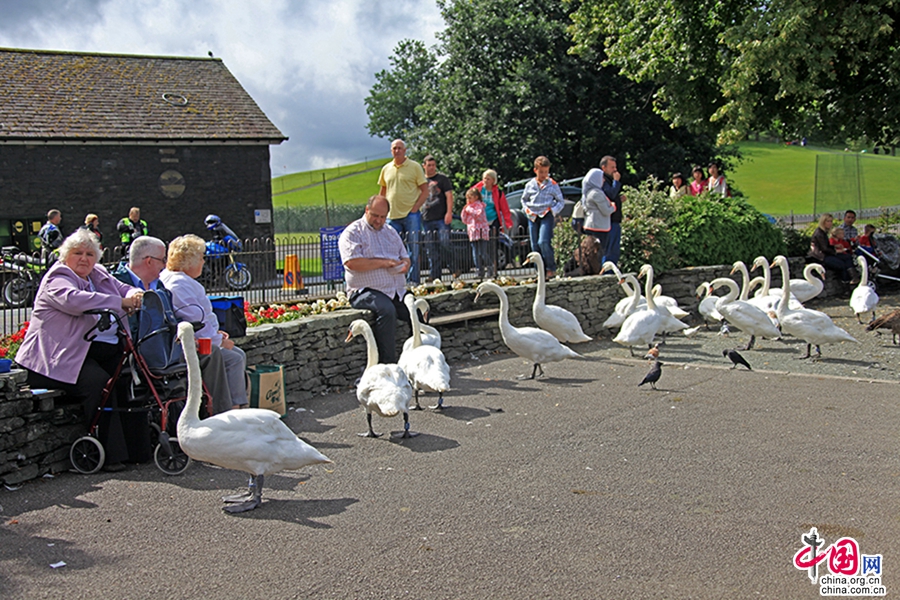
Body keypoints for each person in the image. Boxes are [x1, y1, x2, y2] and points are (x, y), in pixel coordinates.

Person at [16, 229, 144, 471]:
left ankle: (137, 450)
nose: (84, 258)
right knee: (98, 382)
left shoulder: (97, 274)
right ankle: (108, 455)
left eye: (89, 254)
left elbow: (123, 288)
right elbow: (74, 300)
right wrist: (119, 302)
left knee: (126, 378)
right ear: (66, 256)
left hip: (86, 352)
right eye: (77, 253)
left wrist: (134, 294)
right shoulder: (58, 276)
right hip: (52, 360)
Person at [114, 236, 233, 415]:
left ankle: (223, 414)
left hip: (169, 347)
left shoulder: (159, 284)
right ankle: (220, 417)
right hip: (142, 355)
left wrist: (186, 337)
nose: (165, 265)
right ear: (148, 261)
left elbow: (172, 318)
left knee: (213, 351)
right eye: (162, 260)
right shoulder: (119, 283)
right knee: (213, 353)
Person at [161, 235, 250, 410]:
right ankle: (234, 408)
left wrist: (216, 335)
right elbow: (195, 321)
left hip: (196, 341)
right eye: (201, 258)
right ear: (189, 262)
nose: (203, 262)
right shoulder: (179, 285)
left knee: (237, 355)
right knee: (235, 358)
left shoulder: (176, 280)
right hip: (192, 345)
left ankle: (237, 406)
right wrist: (219, 341)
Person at [338, 195, 413, 363]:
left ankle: (416, 361)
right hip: (364, 290)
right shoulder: (353, 232)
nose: (379, 220)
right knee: (386, 311)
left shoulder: (390, 232)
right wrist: (383, 263)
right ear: (366, 210)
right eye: (375, 216)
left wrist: (405, 264)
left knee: (416, 313)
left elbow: (405, 256)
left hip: (395, 290)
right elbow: (352, 262)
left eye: (383, 217)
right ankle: (387, 364)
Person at [378, 139, 428, 284]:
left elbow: (425, 191)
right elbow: (383, 191)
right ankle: (396, 279)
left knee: (414, 248)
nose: (397, 151)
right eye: (394, 148)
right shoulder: (386, 169)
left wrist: (415, 208)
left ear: (405, 150)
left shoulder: (414, 167)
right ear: (391, 151)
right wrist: (381, 212)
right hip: (391, 215)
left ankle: (413, 280)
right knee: (392, 250)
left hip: (410, 215)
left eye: (400, 148)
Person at [521, 156, 565, 278]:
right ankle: (539, 271)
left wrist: (552, 210)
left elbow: (560, 201)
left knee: (544, 241)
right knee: (534, 244)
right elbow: (524, 200)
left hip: (546, 214)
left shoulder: (552, 184)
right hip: (533, 215)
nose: (544, 174)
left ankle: (550, 268)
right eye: (541, 172)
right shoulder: (530, 185)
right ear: (535, 170)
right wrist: (526, 210)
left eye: (546, 172)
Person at [471, 169, 513, 278]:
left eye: (488, 179)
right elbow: (469, 201)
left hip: (492, 221)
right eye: (484, 178)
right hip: (479, 222)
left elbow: (504, 208)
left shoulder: (498, 192)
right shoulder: (477, 190)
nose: (485, 180)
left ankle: (493, 270)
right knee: (479, 247)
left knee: (492, 246)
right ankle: (480, 270)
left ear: (493, 180)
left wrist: (508, 222)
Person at [421, 155, 454, 282]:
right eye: (429, 165)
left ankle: (453, 266)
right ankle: (435, 275)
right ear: (424, 166)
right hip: (426, 218)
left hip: (441, 217)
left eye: (433, 165)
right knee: (430, 248)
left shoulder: (442, 179)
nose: (431, 168)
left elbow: (449, 195)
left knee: (445, 242)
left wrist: (449, 212)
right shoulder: (421, 180)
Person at [809, 213, 858, 283]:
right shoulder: (820, 233)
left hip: (826, 254)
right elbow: (824, 249)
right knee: (841, 264)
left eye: (831, 221)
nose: (830, 223)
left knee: (847, 257)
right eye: (828, 221)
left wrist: (835, 246)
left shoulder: (823, 232)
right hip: (821, 256)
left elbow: (826, 245)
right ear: (823, 222)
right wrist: (836, 251)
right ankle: (845, 280)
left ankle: (853, 277)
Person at [460, 187, 491, 280]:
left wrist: (469, 209)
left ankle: (490, 267)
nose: (468, 200)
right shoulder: (468, 207)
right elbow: (464, 220)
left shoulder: (479, 205)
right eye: (467, 198)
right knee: (475, 253)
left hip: (481, 231)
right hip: (473, 232)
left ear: (476, 197)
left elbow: (478, 216)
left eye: (470, 198)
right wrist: (464, 211)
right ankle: (479, 269)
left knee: (482, 252)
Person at [599, 156, 624, 266]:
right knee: (608, 251)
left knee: (615, 251)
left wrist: (619, 199)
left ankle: (611, 272)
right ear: (604, 168)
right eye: (612, 167)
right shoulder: (602, 180)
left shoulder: (608, 180)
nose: (615, 170)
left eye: (615, 167)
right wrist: (616, 181)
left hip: (615, 220)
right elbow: (610, 194)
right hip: (608, 221)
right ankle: (606, 272)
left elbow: (612, 197)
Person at [581, 177, 616, 251]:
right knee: (598, 254)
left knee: (590, 252)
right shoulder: (596, 193)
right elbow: (606, 211)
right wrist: (613, 207)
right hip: (598, 227)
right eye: (601, 177)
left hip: (592, 225)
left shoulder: (589, 192)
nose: (603, 180)